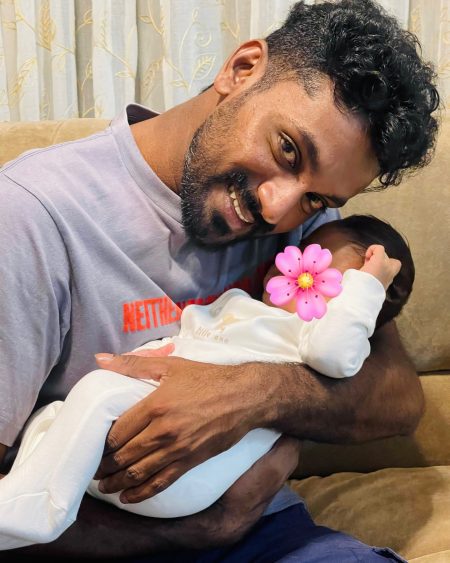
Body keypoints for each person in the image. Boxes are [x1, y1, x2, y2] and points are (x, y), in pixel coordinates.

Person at [0, 0, 439, 560]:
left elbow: (398, 397)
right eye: (287, 149)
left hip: (270, 533)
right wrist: (194, 530)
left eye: (316, 197)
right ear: (242, 69)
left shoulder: (312, 233)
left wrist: (252, 394)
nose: (277, 208)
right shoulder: (32, 216)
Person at [0, 214, 413, 550]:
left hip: (191, 480)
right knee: (52, 416)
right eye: (299, 252)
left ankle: (40, 512)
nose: (296, 267)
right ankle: (25, 497)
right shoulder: (239, 307)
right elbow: (189, 335)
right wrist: (155, 354)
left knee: (98, 392)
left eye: (319, 268)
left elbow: (336, 352)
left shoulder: (312, 339)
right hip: (110, 466)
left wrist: (367, 286)